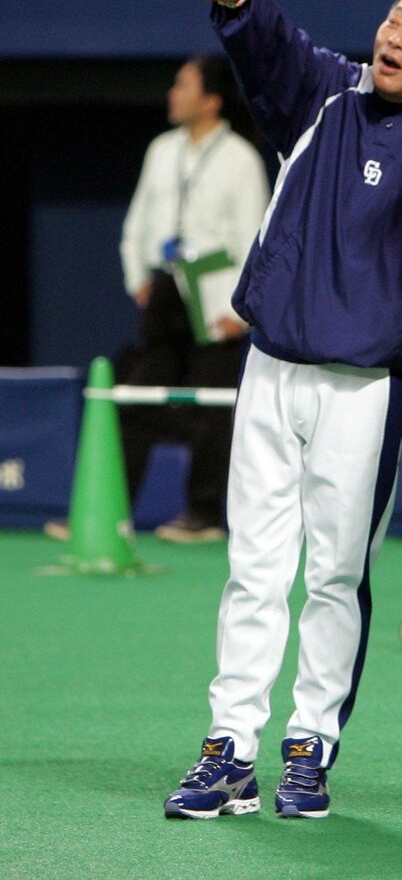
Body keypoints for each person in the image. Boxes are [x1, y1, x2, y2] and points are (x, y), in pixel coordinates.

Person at [162, 0, 402, 820]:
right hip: (271, 367)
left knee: (336, 575)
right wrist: (237, 0)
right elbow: (274, 45)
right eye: (392, 19)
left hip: (367, 388)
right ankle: (228, 750)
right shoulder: (325, 95)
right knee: (253, 568)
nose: (395, 37)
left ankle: (308, 749)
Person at [118, 53, 271, 542]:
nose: (172, 94)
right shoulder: (162, 149)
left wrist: (239, 313)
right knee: (137, 396)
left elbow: (255, 237)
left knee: (212, 409)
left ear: (211, 100)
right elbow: (138, 221)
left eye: (182, 86)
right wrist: (137, 276)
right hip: (166, 289)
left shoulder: (240, 159)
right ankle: (111, 510)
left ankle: (203, 514)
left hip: (215, 298)